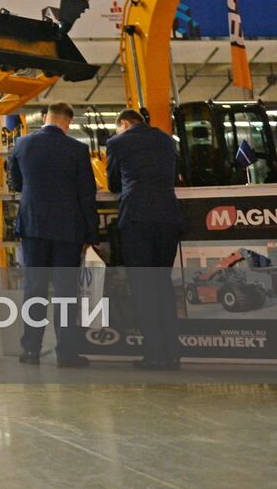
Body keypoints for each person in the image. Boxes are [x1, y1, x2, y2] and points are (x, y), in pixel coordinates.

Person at [8, 102, 99, 367]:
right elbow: (86, 194)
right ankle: (67, 353)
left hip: (33, 226)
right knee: (65, 290)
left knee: (34, 288)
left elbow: (17, 183)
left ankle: (31, 351)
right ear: (67, 122)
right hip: (67, 229)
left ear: (45, 117)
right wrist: (91, 233)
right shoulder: (77, 149)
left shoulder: (22, 144)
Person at [106, 109, 183, 371]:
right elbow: (174, 175)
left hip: (137, 218)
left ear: (123, 123)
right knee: (162, 284)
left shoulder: (117, 142)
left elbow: (113, 184)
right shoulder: (166, 139)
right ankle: (173, 353)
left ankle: (155, 354)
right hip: (168, 216)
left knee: (142, 287)